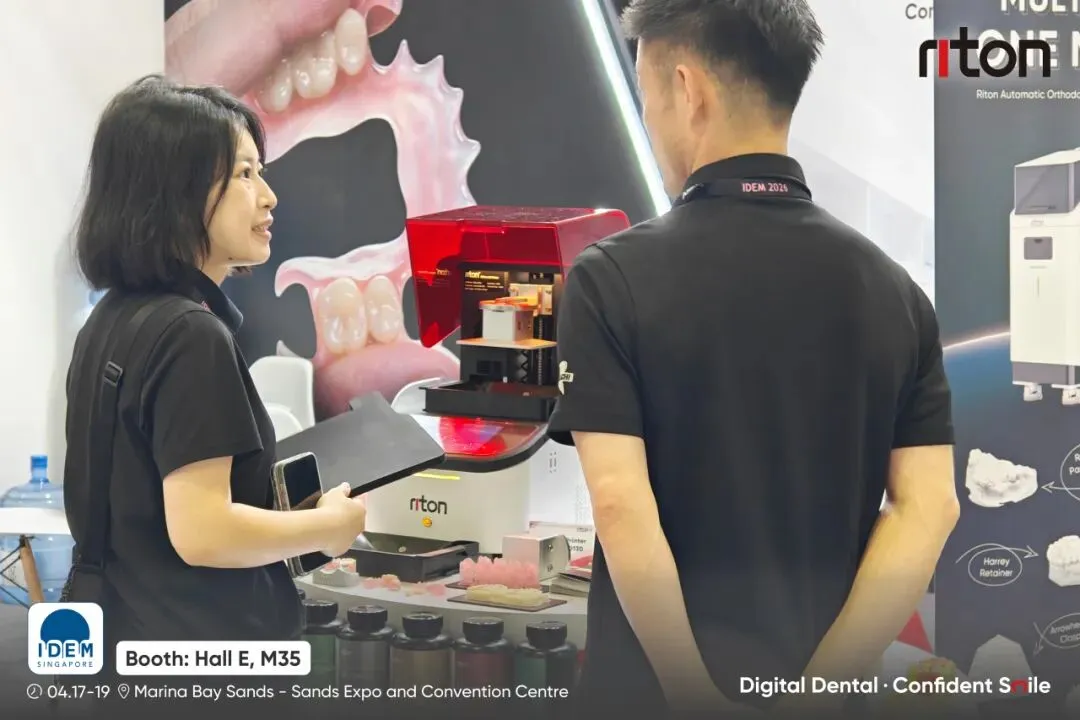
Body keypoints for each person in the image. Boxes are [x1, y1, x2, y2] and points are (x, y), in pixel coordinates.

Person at [547, 0, 959, 715]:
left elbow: (618, 501)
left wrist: (693, 694)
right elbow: (928, 507)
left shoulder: (610, 279)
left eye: (647, 95)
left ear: (687, 90)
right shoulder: (896, 291)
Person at [63, 75, 367, 653]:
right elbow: (203, 532)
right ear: (176, 193)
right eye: (245, 174)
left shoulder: (110, 320)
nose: (269, 197)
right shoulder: (190, 335)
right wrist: (327, 528)